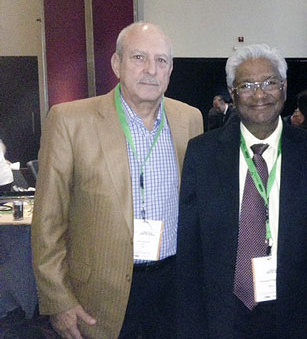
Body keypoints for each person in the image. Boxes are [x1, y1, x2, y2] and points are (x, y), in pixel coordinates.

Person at [31, 22, 203, 339]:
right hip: (98, 291)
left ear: (171, 69)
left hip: (172, 285)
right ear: (116, 64)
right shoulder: (70, 120)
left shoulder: (190, 118)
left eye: (161, 60)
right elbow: (48, 221)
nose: (151, 69)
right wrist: (58, 300)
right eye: (139, 57)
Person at [177, 44, 307, 338]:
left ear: (284, 88)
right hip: (223, 317)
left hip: (297, 318)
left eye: (270, 83)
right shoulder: (202, 154)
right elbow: (190, 254)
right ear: (232, 92)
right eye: (247, 85)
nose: (260, 95)